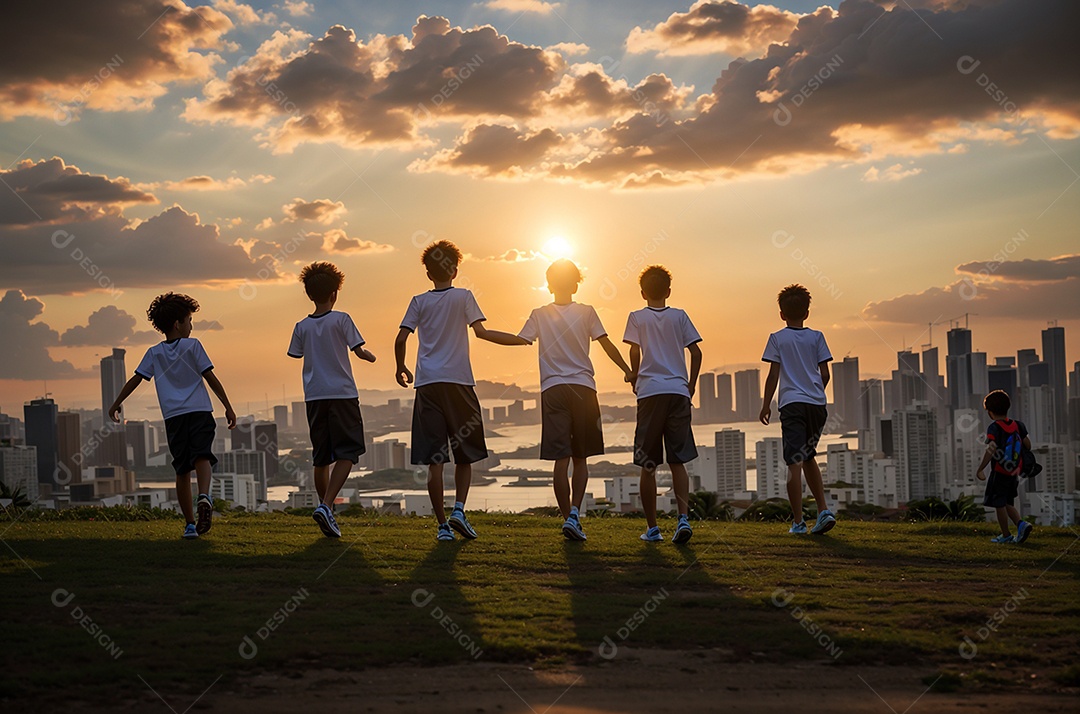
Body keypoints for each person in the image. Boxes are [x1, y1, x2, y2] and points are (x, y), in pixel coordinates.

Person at [493, 259, 635, 541]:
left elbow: (520, 340)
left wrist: (485, 334)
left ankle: (567, 519)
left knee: (561, 459)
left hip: (553, 389)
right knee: (581, 459)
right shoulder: (587, 312)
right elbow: (606, 344)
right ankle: (574, 515)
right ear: (576, 283)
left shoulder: (539, 314)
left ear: (548, 284)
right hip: (583, 389)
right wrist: (629, 371)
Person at [394, 240, 522, 541]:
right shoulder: (464, 296)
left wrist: (401, 366)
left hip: (427, 385)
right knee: (465, 454)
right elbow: (483, 333)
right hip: (459, 384)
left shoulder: (418, 301)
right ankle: (459, 510)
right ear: (455, 269)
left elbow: (401, 338)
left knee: (435, 460)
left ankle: (442, 527)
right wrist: (519, 340)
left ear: (428, 274)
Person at [108, 293, 236, 539]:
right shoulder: (194, 345)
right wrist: (227, 406)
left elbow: (136, 379)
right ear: (178, 323)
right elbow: (210, 378)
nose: (191, 325)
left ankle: (190, 525)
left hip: (173, 417)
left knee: (181, 470)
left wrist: (116, 403)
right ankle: (205, 497)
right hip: (199, 411)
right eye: (189, 320)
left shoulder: (154, 353)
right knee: (202, 456)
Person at [288, 262, 376, 538]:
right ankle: (326, 506)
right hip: (342, 394)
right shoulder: (342, 319)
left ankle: (325, 510)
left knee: (321, 457)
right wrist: (370, 357)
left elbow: (296, 354)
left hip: (314, 395)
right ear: (335, 293)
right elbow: (359, 351)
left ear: (309, 294)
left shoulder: (301, 326)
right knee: (348, 452)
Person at [623, 265, 702, 544]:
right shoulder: (680, 317)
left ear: (643, 292)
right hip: (678, 392)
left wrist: (634, 376)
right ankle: (683, 519)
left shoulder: (636, 317)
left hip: (650, 393)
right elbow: (696, 351)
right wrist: (690, 385)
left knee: (648, 463)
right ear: (669, 291)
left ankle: (653, 528)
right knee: (678, 460)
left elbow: (634, 350)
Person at [758, 284, 835, 535]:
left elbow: (773, 376)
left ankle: (798, 522)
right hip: (817, 404)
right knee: (809, 455)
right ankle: (823, 510)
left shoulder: (777, 338)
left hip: (791, 404)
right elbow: (825, 373)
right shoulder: (817, 337)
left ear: (781, 314)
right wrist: (815, 390)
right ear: (807, 312)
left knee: (793, 462)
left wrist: (766, 405)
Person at [976, 389, 1034, 544]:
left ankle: (1006, 535)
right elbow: (1028, 445)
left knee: (999, 504)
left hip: (999, 472)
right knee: (1008, 502)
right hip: (1013, 472)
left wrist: (981, 468)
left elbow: (991, 448)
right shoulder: (1018, 425)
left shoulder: (994, 427)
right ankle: (1021, 524)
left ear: (990, 412)